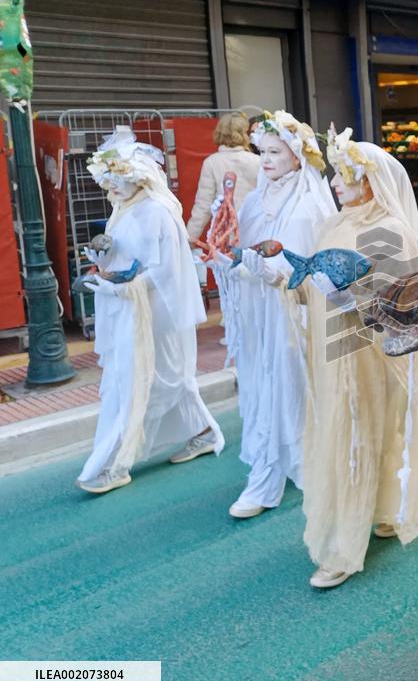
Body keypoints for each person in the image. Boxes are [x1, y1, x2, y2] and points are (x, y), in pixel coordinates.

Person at [299, 128, 418, 589]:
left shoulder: (394, 229)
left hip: (372, 354)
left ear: (370, 179)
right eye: (335, 176)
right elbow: (310, 282)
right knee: (348, 432)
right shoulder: (334, 225)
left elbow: (402, 299)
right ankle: (363, 519)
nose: (335, 184)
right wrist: (285, 277)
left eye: (345, 176)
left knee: (371, 432)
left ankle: (347, 544)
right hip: (335, 355)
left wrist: (355, 301)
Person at [77, 127, 224, 494]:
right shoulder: (123, 209)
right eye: (106, 181)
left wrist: (122, 285)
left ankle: (115, 461)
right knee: (160, 378)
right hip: (128, 308)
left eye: (115, 181)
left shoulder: (156, 212)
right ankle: (203, 432)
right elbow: (123, 256)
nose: (109, 189)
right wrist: (101, 264)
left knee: (144, 380)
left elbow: (164, 270)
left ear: (138, 179)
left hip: (155, 313)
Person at [214, 111, 336, 518]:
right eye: (261, 151)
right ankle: (269, 470)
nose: (265, 160)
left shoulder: (310, 204)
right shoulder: (253, 200)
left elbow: (316, 260)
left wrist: (278, 275)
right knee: (264, 381)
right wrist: (228, 262)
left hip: (296, 309)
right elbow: (247, 252)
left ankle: (294, 463)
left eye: (274, 152)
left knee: (293, 380)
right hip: (261, 310)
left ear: (296, 156)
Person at [186, 112, 261, 242]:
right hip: (256, 229)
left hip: (225, 233)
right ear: (244, 134)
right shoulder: (258, 161)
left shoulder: (211, 162)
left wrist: (189, 239)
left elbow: (202, 206)